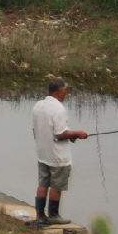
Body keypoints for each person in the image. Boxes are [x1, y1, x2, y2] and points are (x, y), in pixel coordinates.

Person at [31, 77, 88, 225]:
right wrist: (77, 134)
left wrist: (71, 135)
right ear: (58, 91)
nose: (66, 94)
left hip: (43, 153)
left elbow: (36, 129)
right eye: (65, 91)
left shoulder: (38, 105)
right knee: (56, 186)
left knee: (43, 184)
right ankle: (53, 216)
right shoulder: (58, 109)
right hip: (58, 157)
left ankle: (40, 215)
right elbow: (60, 133)